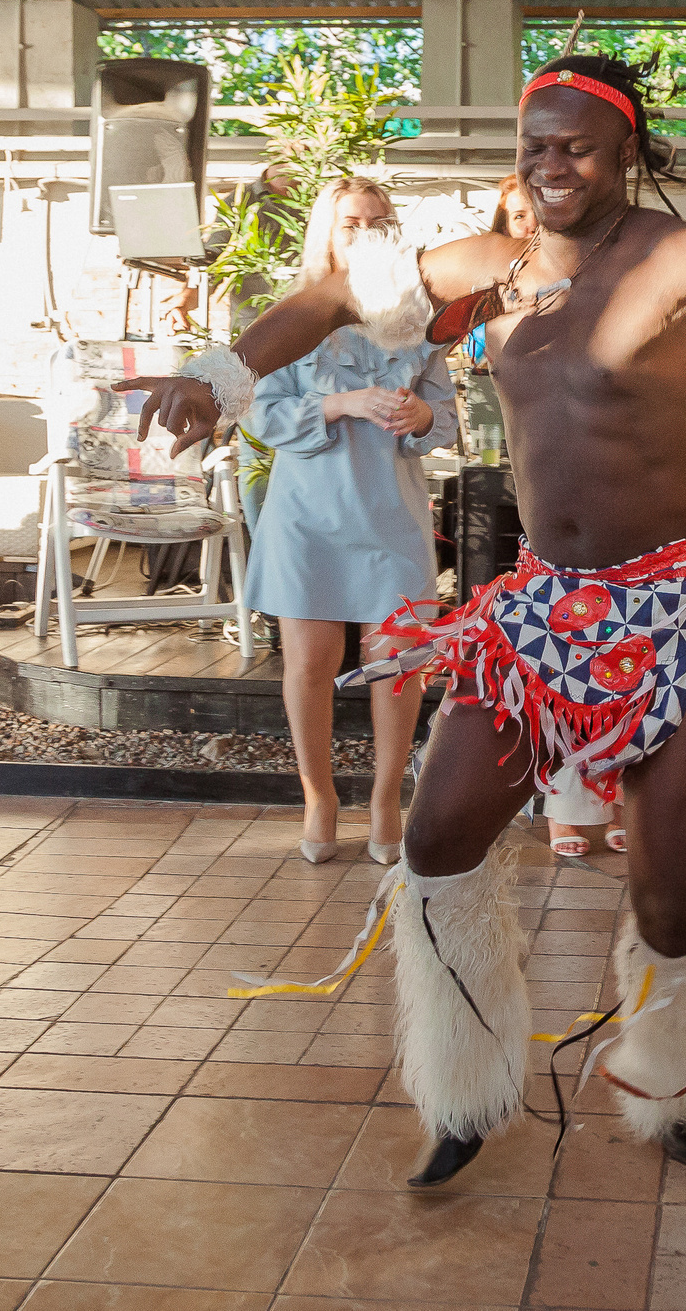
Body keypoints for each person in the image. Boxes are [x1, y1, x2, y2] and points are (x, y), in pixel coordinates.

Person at [121, 55, 686, 1188]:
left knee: (669, 892)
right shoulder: (494, 271)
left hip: (675, 612)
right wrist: (222, 372)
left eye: (576, 144)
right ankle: (465, 1083)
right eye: (534, 143)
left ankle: (676, 1084)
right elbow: (336, 292)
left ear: (627, 150)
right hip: (540, 607)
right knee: (440, 838)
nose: (551, 164)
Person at [241, 177, 457, 866]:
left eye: (378, 221)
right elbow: (259, 412)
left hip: (391, 515)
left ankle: (387, 798)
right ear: (325, 233)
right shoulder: (292, 315)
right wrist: (340, 405)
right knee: (308, 662)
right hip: (305, 517)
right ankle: (318, 795)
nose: (364, 232)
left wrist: (422, 417)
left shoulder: (417, 320)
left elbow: (444, 417)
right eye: (349, 222)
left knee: (399, 663)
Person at [491, 170, 626, 857]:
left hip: (630, 516)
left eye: (531, 212)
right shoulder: (495, 294)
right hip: (550, 520)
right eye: (513, 216)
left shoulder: (615, 277)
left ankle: (623, 793)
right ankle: (565, 807)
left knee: (625, 664)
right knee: (559, 670)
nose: (527, 224)